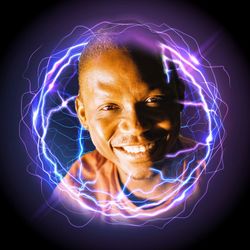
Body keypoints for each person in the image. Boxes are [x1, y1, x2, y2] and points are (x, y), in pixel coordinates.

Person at [53, 35, 203, 223]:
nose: (135, 126)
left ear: (179, 97)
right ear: (83, 114)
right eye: (109, 107)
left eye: (153, 100)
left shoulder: (215, 174)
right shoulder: (80, 184)